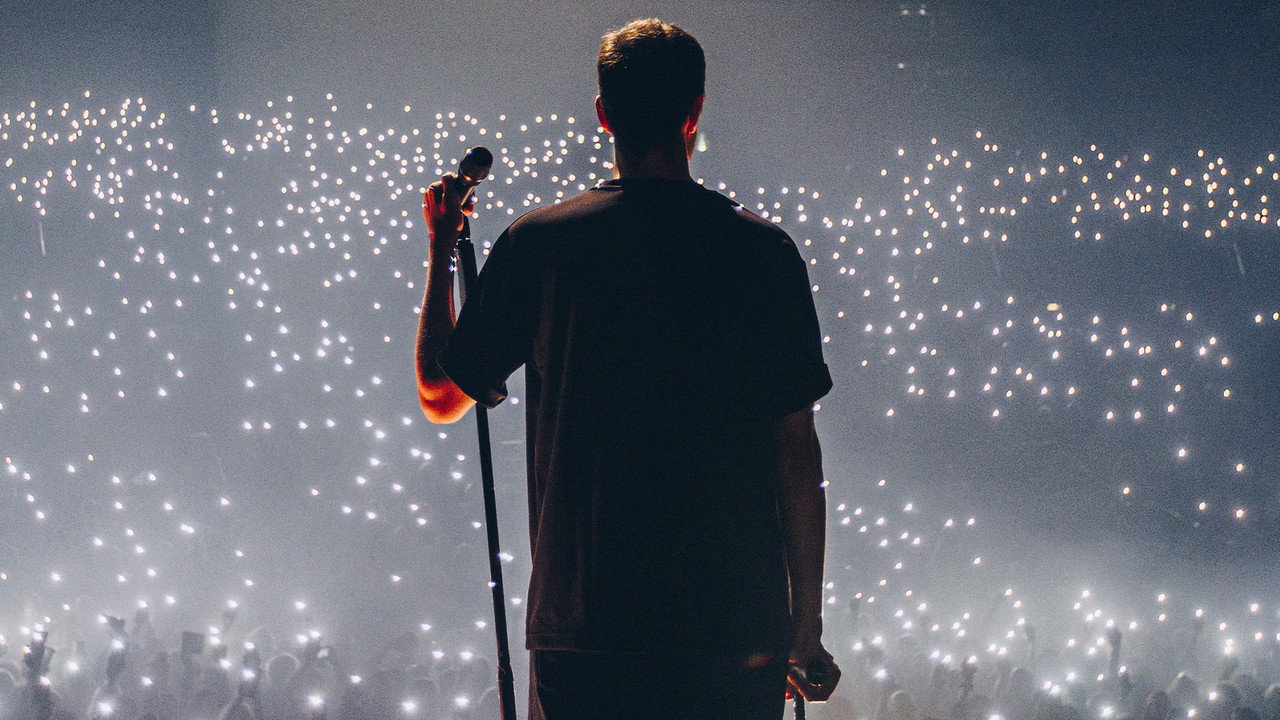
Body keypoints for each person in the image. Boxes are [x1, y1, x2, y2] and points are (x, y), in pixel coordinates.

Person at [415, 17, 840, 720]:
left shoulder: (542, 245)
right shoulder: (762, 254)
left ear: (603, 115)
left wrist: (440, 251)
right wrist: (806, 627)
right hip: (731, 634)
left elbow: (440, 393)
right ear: (695, 110)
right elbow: (797, 454)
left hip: (588, 634)